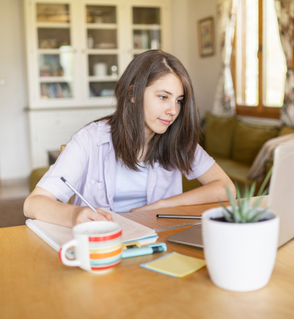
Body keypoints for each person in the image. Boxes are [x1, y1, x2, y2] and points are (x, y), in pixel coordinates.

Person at [24, 50, 235, 227]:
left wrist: (161, 206)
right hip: (103, 242)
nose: (173, 110)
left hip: (157, 238)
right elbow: (33, 203)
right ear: (133, 94)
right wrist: (75, 215)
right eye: (163, 97)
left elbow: (227, 188)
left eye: (179, 100)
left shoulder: (177, 138)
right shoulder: (89, 139)